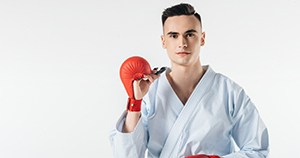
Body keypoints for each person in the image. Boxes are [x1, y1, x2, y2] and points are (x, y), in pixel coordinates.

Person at [110, 3, 269, 158]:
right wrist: (135, 101)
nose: (182, 43)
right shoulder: (150, 92)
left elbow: (258, 150)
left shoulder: (229, 92)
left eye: (190, 34)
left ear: (202, 38)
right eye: (173, 35)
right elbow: (126, 155)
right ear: (163, 41)